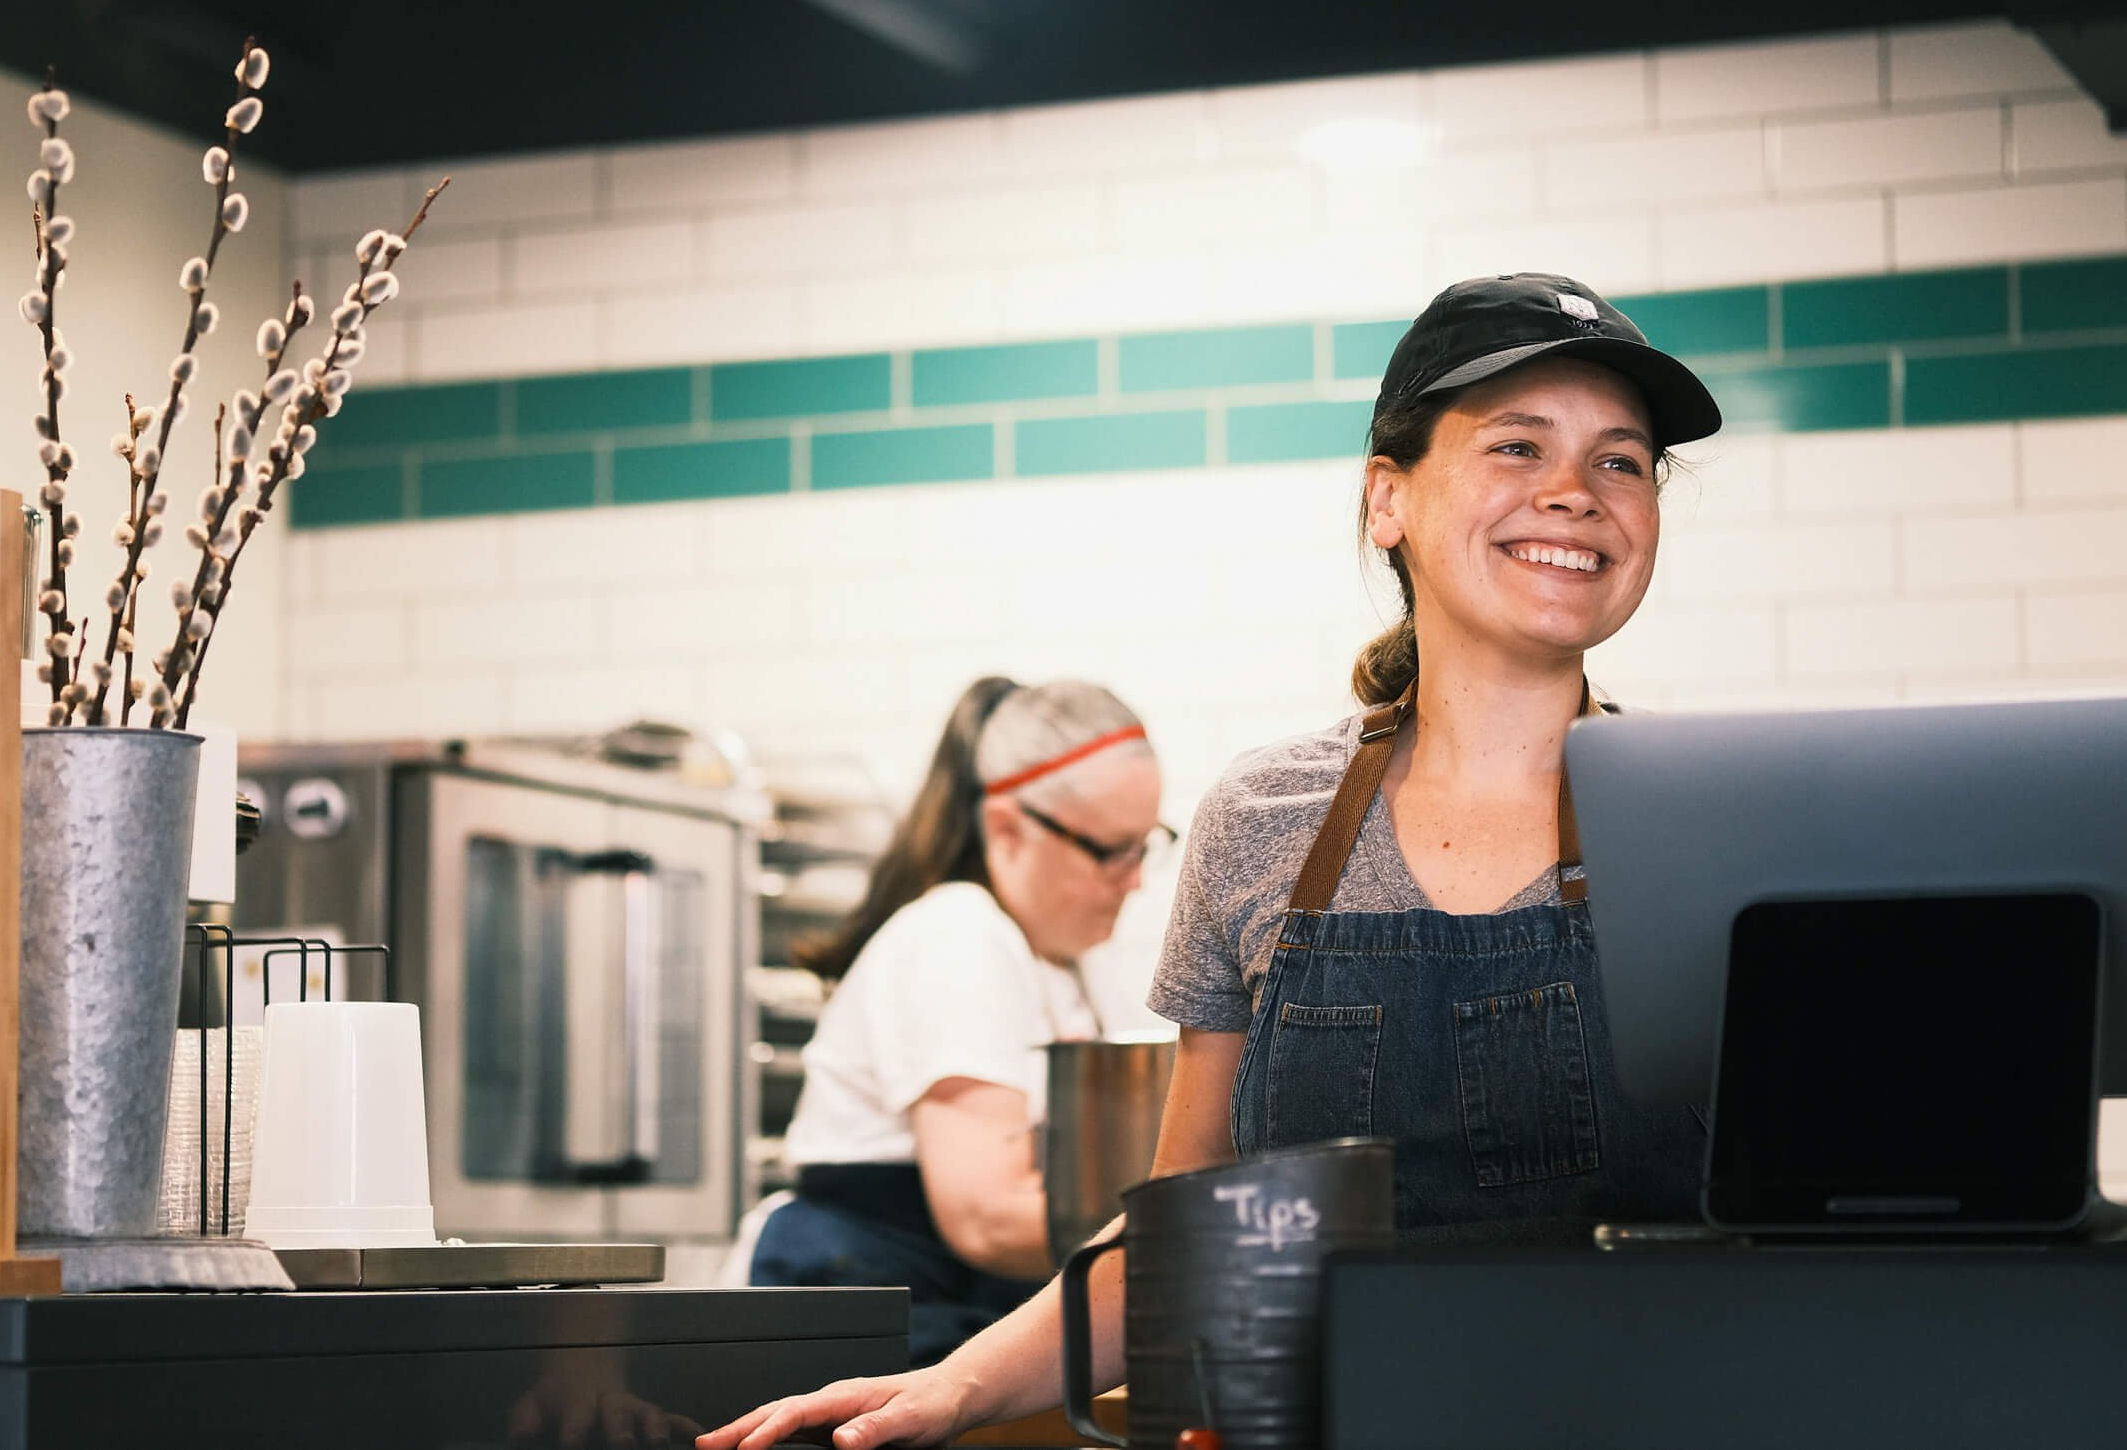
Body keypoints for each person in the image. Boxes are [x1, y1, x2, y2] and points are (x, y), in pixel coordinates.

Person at [700, 271, 1728, 1450]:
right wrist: (954, 1384)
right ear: (1385, 497)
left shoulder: (1703, 815)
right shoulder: (1265, 817)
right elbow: (1186, 1230)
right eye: (1515, 444)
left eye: (1621, 461)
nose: (1573, 493)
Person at [748, 676, 1164, 1366]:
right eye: (1109, 850)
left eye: (1145, 845)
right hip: (869, 1307)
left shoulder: (1066, 960)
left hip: (959, 1308)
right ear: (1006, 827)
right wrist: (1197, 1240)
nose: (1136, 877)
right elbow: (990, 1216)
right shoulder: (958, 936)